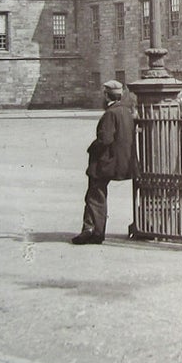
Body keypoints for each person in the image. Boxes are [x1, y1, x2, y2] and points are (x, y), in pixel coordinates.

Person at [73, 79, 134, 244]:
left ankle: (92, 231)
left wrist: (91, 148)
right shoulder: (126, 111)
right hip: (123, 162)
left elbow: (105, 139)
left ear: (107, 96)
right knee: (97, 194)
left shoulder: (110, 113)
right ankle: (94, 231)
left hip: (106, 162)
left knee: (94, 195)